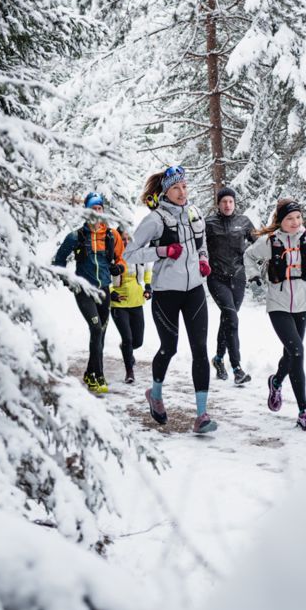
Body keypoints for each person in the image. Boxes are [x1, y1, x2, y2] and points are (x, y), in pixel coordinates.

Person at [126, 165, 217, 434]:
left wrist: (203, 260)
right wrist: (163, 250)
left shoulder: (193, 213)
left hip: (195, 291)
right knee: (169, 347)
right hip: (166, 293)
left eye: (184, 186)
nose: (182, 192)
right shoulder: (155, 220)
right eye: (176, 188)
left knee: (200, 349)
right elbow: (130, 254)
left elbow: (202, 244)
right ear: (166, 191)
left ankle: (202, 415)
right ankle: (155, 394)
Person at [244, 198, 306, 432]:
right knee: (297, 350)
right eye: (289, 218)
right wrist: (254, 278)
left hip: (303, 302)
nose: (295, 222)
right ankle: (304, 412)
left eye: (298, 217)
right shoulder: (270, 241)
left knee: (291, 352)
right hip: (278, 301)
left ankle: (275, 382)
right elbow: (249, 256)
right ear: (280, 221)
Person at [52, 192, 123, 394]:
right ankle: (98, 376)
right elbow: (58, 262)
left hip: (104, 291)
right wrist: (69, 281)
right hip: (84, 291)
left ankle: (89, 372)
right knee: (96, 330)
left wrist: (119, 268)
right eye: (93, 209)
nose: (96, 212)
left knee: (101, 334)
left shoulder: (111, 235)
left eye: (99, 209)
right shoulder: (76, 236)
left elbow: (122, 259)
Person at [204, 186, 255, 385]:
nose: (227, 205)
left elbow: (259, 243)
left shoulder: (244, 222)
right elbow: (195, 245)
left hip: (238, 278)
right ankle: (237, 368)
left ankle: (218, 359)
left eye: (230, 201)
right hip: (217, 278)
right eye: (224, 201)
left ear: (234, 203)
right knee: (231, 318)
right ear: (218, 204)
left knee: (228, 319)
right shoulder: (209, 223)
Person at [108, 225, 152, 384]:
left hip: (136, 301)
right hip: (118, 303)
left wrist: (148, 286)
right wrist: (110, 291)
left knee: (137, 341)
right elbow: (103, 276)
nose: (126, 242)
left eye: (128, 239)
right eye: (123, 239)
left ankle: (126, 350)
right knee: (127, 338)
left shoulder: (139, 254)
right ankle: (129, 371)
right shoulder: (111, 255)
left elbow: (148, 270)